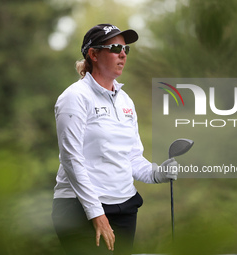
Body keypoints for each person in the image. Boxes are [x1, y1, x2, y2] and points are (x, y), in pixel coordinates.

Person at [51, 23, 178, 255]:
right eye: (114, 48)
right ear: (94, 54)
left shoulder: (125, 101)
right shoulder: (75, 97)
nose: (122, 54)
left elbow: (131, 157)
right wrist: (96, 213)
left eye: (125, 49)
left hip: (124, 207)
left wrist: (157, 173)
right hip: (79, 210)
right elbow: (71, 158)